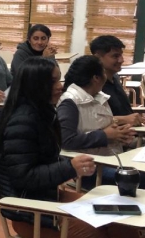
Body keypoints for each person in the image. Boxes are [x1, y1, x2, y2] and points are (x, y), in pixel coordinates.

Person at [0, 56, 145, 238]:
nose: (61, 85)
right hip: (31, 214)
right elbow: (23, 178)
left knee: (121, 219)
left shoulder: (41, 112)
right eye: (55, 81)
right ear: (37, 85)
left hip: (49, 196)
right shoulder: (22, 122)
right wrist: (69, 167)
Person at [57, 55, 140, 189]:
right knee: (143, 178)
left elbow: (99, 126)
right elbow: (66, 140)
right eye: (103, 72)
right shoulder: (70, 102)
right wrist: (106, 136)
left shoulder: (97, 97)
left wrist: (119, 136)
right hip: (91, 168)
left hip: (109, 158)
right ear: (96, 78)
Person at [91, 35, 145, 127]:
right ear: (98, 57)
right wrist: (124, 119)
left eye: (121, 55)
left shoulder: (115, 78)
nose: (121, 60)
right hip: (118, 137)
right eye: (115, 56)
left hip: (135, 132)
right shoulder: (93, 85)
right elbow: (91, 120)